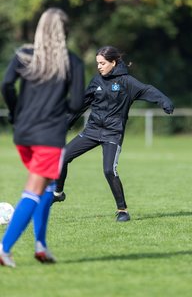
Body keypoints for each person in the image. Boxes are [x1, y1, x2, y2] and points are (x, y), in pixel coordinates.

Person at [0, 8, 85, 268]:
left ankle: (41, 245)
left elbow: (6, 85)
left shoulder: (24, 55)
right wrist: (61, 113)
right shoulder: (72, 62)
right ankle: (3, 249)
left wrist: (16, 113)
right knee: (34, 191)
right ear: (65, 31)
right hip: (48, 135)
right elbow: (77, 102)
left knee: (47, 188)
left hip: (23, 133)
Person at [53, 45, 174, 222]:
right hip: (92, 131)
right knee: (62, 157)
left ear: (113, 62)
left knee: (109, 170)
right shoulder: (96, 81)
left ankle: (122, 210)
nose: (99, 67)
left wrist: (165, 102)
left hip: (112, 133)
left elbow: (147, 89)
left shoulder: (127, 82)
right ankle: (58, 193)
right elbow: (81, 105)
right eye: (97, 63)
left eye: (102, 63)